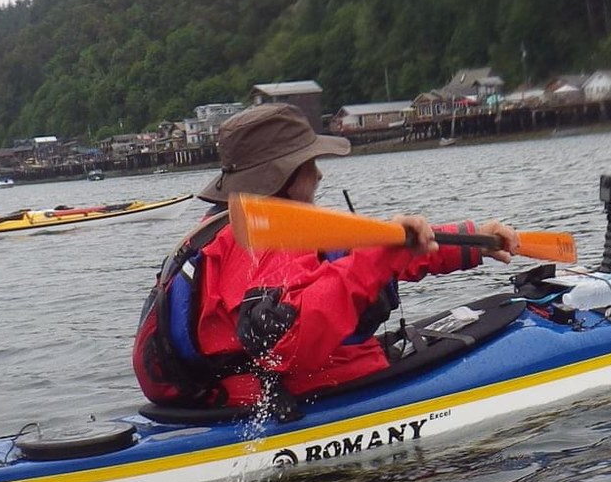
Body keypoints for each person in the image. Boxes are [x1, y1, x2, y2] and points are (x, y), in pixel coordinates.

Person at [133, 103, 520, 411]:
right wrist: (380, 259)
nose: (319, 176)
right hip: (286, 397)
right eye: (309, 165)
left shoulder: (234, 229)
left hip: (252, 389)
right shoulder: (262, 244)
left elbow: (376, 251)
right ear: (281, 178)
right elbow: (292, 340)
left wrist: (477, 240)